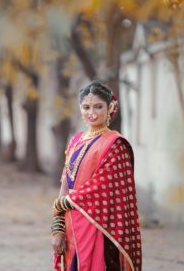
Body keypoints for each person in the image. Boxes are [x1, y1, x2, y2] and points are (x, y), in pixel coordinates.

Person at [51, 80, 142, 271]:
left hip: (100, 226)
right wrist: (57, 227)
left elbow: (102, 188)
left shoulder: (115, 144)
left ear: (110, 108)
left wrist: (62, 203)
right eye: (86, 107)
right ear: (80, 109)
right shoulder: (76, 140)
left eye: (98, 106)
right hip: (71, 223)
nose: (91, 112)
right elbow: (65, 184)